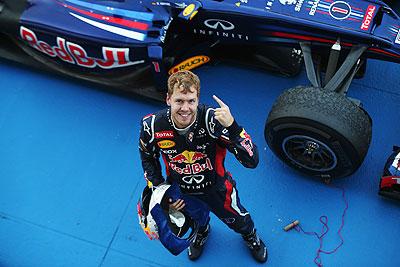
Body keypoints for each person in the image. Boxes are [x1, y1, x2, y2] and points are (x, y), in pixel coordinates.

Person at [138, 70, 267, 263]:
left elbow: (252, 161)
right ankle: (202, 231)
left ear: (198, 100)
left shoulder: (213, 122)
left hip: (217, 189)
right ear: (168, 99)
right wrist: (162, 193)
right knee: (197, 219)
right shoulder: (152, 125)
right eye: (179, 101)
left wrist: (233, 127)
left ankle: (250, 236)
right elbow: (147, 157)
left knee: (239, 220)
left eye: (191, 101)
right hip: (181, 192)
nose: (185, 108)